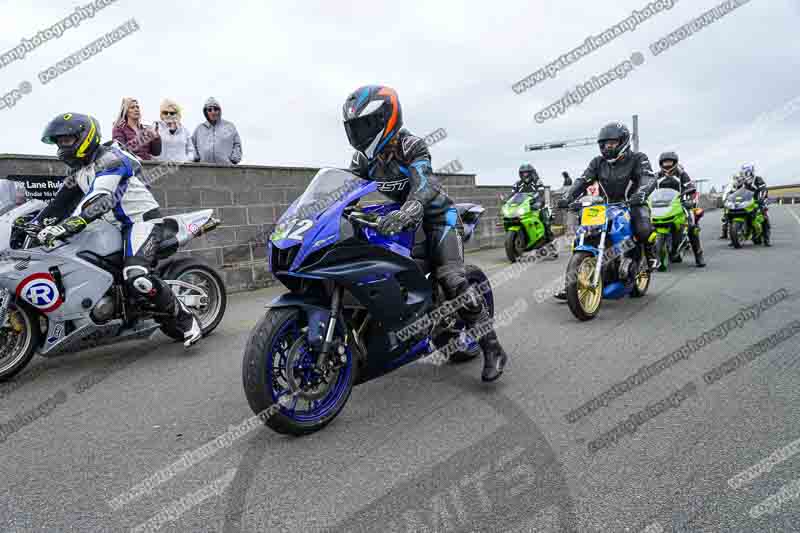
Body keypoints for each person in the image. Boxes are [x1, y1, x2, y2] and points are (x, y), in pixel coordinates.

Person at [343, 85, 508, 382]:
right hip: (400, 219)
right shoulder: (362, 161)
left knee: (453, 280)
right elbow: (345, 192)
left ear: (386, 119)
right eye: (355, 127)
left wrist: (411, 208)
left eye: (365, 125)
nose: (360, 133)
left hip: (435, 217)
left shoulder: (410, 146)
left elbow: (425, 183)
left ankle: (493, 347)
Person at [29, 113, 202, 347]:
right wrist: (33, 226)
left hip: (140, 222)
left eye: (67, 140)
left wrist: (66, 226)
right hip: (109, 227)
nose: (62, 146)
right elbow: (58, 206)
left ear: (85, 137)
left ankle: (186, 319)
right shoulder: (78, 171)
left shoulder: (112, 158)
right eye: (59, 142)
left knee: (136, 275)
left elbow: (100, 198)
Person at [554, 122, 658, 299]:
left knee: (643, 230)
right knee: (583, 235)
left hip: (633, 203)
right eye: (603, 144)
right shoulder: (598, 162)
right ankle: (574, 283)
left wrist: (641, 194)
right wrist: (568, 198)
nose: (606, 147)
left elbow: (648, 177)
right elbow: (582, 180)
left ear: (623, 142)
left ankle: (649, 257)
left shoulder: (638, 158)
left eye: (611, 143)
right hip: (605, 207)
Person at [656, 151, 705, 267]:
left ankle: (699, 255)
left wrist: (690, 198)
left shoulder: (681, 174)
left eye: (669, 162)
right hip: (660, 206)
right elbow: (649, 188)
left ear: (675, 162)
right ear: (661, 164)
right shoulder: (657, 176)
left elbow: (690, 187)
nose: (667, 165)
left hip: (680, 204)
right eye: (665, 162)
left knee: (692, 226)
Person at [192, 97, 242, 165]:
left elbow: (237, 144)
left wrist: (234, 159)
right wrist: (195, 158)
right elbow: (192, 145)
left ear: (219, 111)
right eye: (209, 110)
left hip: (226, 169)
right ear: (206, 112)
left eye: (215, 109)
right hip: (204, 169)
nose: (213, 112)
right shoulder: (199, 129)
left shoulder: (229, 126)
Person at [512, 162, 553, 241]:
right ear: (520, 174)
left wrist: (539, 202)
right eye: (523, 173)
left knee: (544, 217)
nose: (525, 175)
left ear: (531, 173)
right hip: (523, 206)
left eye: (527, 173)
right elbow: (513, 196)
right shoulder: (517, 184)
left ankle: (548, 236)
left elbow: (541, 194)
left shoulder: (537, 182)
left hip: (536, 205)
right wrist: (507, 201)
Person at [738, 164, 771, 246]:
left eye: (746, 172)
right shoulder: (743, 182)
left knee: (764, 216)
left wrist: (761, 199)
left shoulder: (758, 179)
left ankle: (766, 239)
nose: (745, 174)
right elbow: (739, 191)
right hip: (747, 202)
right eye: (744, 172)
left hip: (759, 201)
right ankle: (734, 237)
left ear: (751, 171)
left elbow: (763, 189)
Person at [720, 172, 743, 239]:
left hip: (741, 202)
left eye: (738, 178)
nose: (737, 180)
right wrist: (724, 199)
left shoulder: (744, 185)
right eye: (736, 178)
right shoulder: (731, 186)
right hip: (733, 202)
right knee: (726, 216)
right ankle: (725, 233)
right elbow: (726, 193)